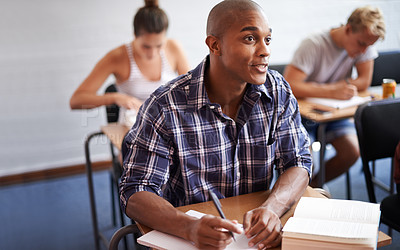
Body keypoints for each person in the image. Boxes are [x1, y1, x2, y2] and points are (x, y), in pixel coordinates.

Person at [120, 0, 312, 249]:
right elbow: (135, 191)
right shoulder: (165, 105)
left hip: (255, 239)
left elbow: (298, 161)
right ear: (215, 45)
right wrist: (187, 226)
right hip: (192, 239)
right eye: (250, 39)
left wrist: (272, 209)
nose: (265, 51)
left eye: (268, 39)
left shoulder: (277, 90)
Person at [284, 6, 385, 187]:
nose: (364, 51)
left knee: (352, 151)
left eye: (369, 46)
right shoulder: (313, 44)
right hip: (303, 115)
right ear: (347, 29)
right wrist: (332, 91)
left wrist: (340, 89)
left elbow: (364, 81)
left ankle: (312, 188)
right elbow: (290, 85)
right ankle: (303, 189)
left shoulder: (365, 42)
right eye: (361, 44)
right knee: (305, 160)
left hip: (333, 113)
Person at [69, 0, 190, 125]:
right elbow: (76, 101)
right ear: (134, 35)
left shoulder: (174, 48)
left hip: (168, 124)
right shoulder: (117, 57)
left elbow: (191, 92)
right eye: (146, 46)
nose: (152, 53)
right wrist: (116, 98)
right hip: (132, 128)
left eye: (159, 45)